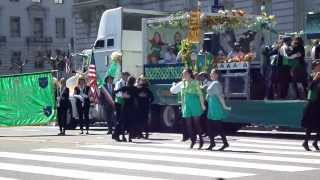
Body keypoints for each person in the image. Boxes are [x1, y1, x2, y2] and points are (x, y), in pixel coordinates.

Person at [170, 68, 206, 149]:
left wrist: (202, 105)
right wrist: (183, 106)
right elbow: (178, 94)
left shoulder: (195, 82)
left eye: (185, 74)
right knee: (188, 124)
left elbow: (200, 94)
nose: (184, 75)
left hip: (194, 104)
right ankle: (193, 140)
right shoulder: (182, 83)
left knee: (197, 123)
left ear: (190, 74)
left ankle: (201, 140)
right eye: (183, 74)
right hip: (186, 104)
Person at [206, 69, 231, 151]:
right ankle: (214, 143)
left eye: (212, 73)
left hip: (215, 107)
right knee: (211, 126)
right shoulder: (213, 83)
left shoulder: (216, 83)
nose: (210, 74)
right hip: (212, 106)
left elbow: (220, 96)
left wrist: (224, 106)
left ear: (217, 75)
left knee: (217, 126)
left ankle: (223, 143)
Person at [301, 60, 320, 151]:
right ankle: (306, 142)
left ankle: (315, 142)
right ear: (314, 67)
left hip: (318, 103)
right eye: (318, 66)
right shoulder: (312, 76)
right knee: (310, 125)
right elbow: (309, 88)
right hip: (312, 103)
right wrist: (314, 79)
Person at [114, 76, 139, 142]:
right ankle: (130, 137)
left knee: (122, 122)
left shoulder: (125, 88)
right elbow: (137, 96)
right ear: (133, 82)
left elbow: (115, 92)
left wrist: (123, 95)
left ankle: (122, 136)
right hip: (132, 107)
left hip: (125, 107)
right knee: (131, 122)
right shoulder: (135, 89)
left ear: (128, 81)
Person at [113, 72, 130, 141]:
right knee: (120, 120)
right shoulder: (119, 83)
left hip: (124, 103)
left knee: (123, 120)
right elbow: (117, 93)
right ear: (122, 76)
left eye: (127, 76)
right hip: (119, 103)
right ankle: (116, 134)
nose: (126, 77)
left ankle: (120, 135)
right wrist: (124, 95)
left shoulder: (126, 83)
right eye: (125, 76)